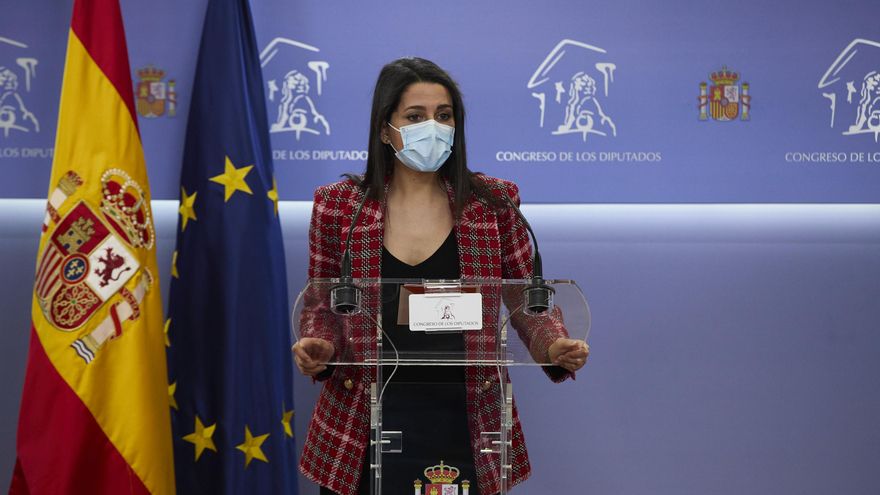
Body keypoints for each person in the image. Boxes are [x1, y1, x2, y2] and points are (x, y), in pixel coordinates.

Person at [292, 57, 589, 495]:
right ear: (385, 129)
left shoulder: (494, 202)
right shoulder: (338, 206)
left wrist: (552, 344)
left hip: (467, 419)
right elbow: (323, 304)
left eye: (443, 115)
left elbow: (525, 298)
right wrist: (320, 344)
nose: (432, 127)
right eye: (415, 117)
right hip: (362, 419)